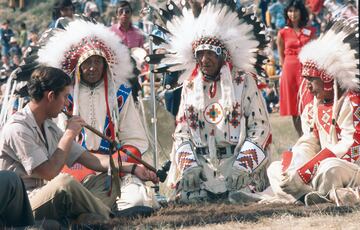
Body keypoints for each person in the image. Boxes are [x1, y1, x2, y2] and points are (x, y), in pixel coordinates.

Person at [0, 66, 158, 226]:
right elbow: (48, 173)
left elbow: (91, 160)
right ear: (51, 96)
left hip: (43, 197)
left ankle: (83, 218)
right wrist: (69, 134)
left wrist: (131, 167)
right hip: (22, 207)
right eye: (65, 96)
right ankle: (110, 217)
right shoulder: (18, 128)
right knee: (64, 183)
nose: (67, 102)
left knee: (109, 176)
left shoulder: (47, 125)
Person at [149, 1, 272, 203]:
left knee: (240, 198)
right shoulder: (190, 86)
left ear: (222, 55)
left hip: (236, 163)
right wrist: (189, 167)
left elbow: (260, 128)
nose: (205, 60)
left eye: (210, 53)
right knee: (191, 199)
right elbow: (181, 133)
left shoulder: (243, 81)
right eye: (200, 54)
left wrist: (243, 165)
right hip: (202, 165)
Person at [37, 19, 157, 212]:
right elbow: (57, 143)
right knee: (69, 199)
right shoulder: (64, 98)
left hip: (117, 168)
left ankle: (108, 208)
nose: (92, 68)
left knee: (136, 201)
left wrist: (117, 163)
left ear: (105, 64)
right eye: (87, 63)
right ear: (78, 66)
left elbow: (134, 140)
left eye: (97, 62)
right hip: (76, 167)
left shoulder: (120, 93)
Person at [264, 17, 360, 206]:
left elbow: (352, 148)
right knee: (276, 170)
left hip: (350, 167)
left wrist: (307, 170)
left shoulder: (352, 102)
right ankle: (311, 195)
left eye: (311, 80)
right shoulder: (313, 107)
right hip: (320, 166)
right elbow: (309, 142)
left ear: (328, 78)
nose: (307, 87)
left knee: (329, 168)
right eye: (305, 79)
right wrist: (293, 168)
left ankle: (309, 194)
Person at [277, 0, 316, 137]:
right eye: (290, 11)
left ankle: (312, 134)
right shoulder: (282, 33)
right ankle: (301, 137)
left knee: (309, 103)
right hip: (289, 70)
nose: (292, 14)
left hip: (307, 70)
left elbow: (314, 51)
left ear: (301, 12)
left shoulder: (310, 31)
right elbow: (281, 55)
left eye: (295, 10)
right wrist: (284, 71)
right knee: (294, 107)